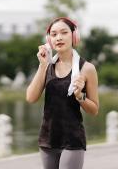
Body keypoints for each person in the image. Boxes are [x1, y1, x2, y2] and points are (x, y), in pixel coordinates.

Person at [26, 17, 99, 169]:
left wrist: (80, 96)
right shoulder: (47, 67)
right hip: (48, 139)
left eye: (64, 32)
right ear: (49, 40)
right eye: (53, 34)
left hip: (72, 140)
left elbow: (94, 110)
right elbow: (31, 97)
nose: (58, 37)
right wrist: (43, 66)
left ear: (74, 36)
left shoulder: (87, 69)